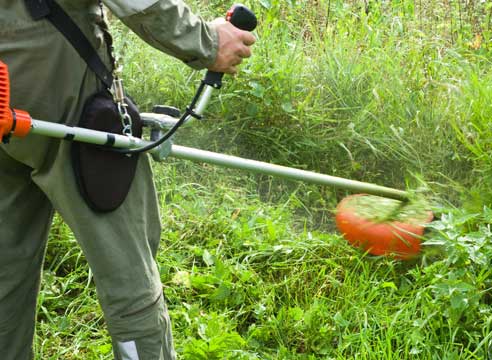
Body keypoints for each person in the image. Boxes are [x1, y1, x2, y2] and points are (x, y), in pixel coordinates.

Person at [0, 1, 255, 359]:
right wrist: (208, 42)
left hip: (7, 79)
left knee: (5, 259)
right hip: (53, 74)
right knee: (127, 266)